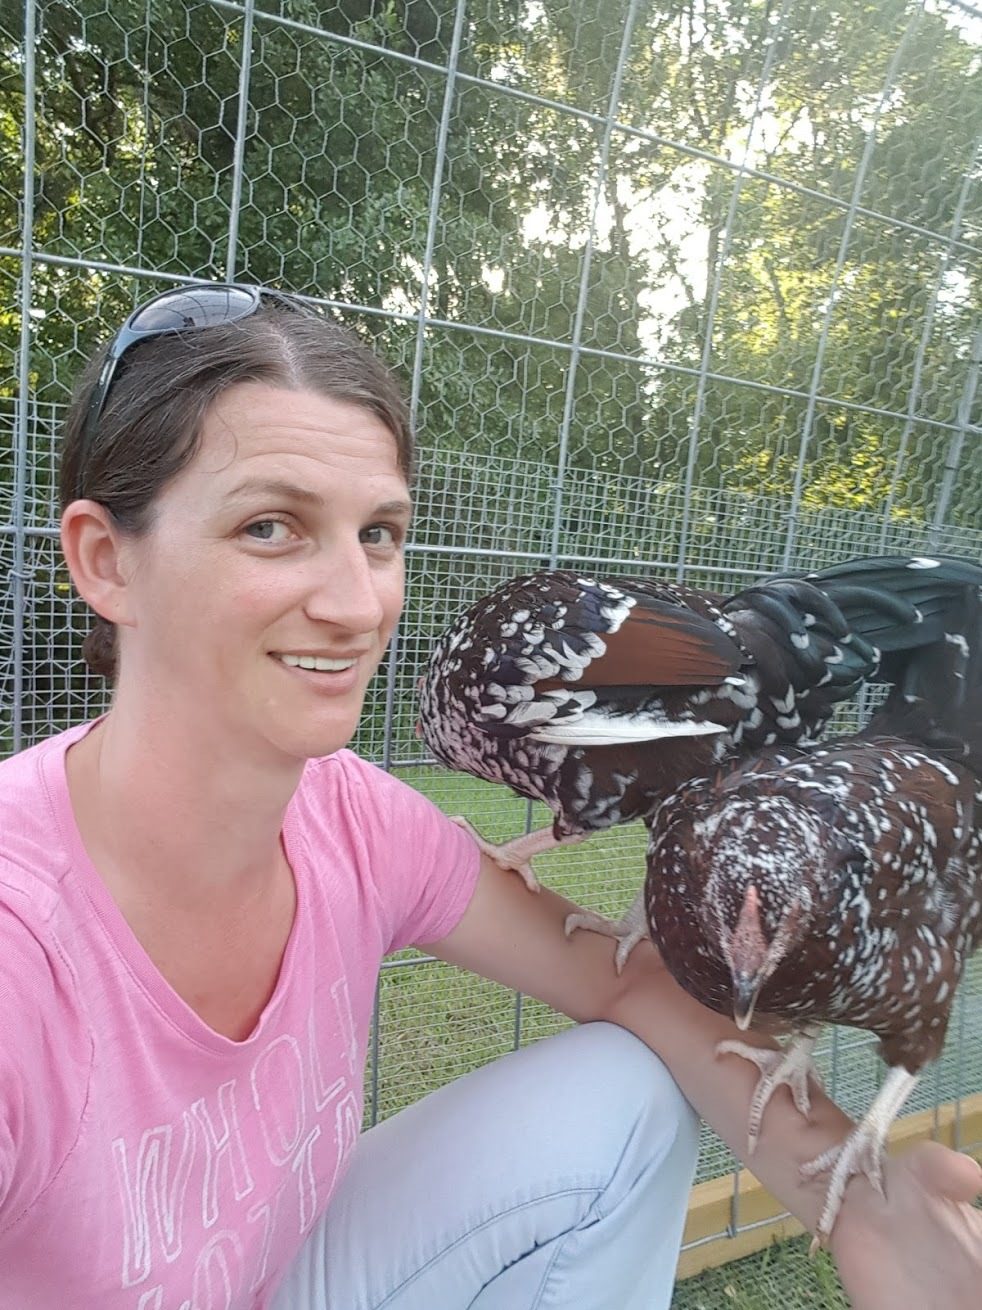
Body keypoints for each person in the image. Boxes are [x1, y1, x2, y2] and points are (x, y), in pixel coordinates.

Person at [0, 283, 979, 1310]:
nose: (356, 604)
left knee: (627, 1089)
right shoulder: (23, 951)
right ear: (106, 561)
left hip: (273, 1278)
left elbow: (628, 984)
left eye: (379, 533)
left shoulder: (351, 817)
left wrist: (864, 1206)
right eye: (271, 526)